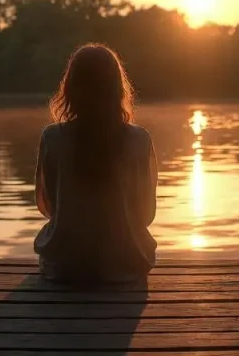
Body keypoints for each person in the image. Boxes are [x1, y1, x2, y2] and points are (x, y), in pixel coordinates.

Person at [33, 43, 158, 282]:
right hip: (127, 263)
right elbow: (146, 214)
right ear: (117, 89)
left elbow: (47, 207)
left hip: (65, 266)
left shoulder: (52, 137)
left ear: (70, 89)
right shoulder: (140, 139)